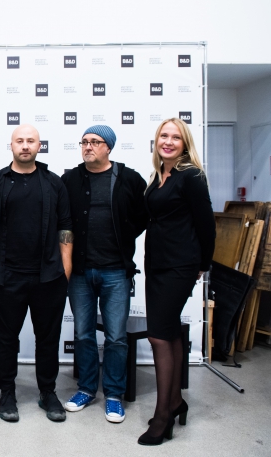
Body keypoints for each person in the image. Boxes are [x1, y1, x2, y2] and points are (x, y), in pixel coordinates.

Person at [0, 124, 73, 423]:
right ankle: (7, 392)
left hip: (49, 277)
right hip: (6, 277)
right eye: (20, 141)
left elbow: (66, 228)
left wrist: (65, 270)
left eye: (31, 141)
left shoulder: (54, 183)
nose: (25, 145)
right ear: (12, 145)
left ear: (39, 146)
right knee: (7, 340)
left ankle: (48, 392)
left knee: (48, 338)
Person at [61, 125, 148, 423]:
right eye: (84, 142)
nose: (88, 147)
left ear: (108, 147)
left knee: (116, 337)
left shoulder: (129, 179)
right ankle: (86, 389)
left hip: (116, 272)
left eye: (95, 142)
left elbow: (142, 217)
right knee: (83, 334)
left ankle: (113, 394)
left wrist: (123, 236)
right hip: (80, 273)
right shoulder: (70, 179)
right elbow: (63, 222)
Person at [138, 118, 215, 445]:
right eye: (163, 136)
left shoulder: (191, 176)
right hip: (156, 263)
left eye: (175, 137)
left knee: (158, 336)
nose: (168, 142)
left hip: (180, 265)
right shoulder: (158, 175)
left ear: (185, 144)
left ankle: (163, 416)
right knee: (167, 333)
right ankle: (176, 402)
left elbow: (207, 223)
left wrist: (203, 264)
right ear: (157, 141)